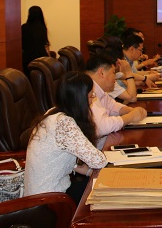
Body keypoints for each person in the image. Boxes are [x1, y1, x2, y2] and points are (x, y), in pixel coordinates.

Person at [24, 72, 108, 204]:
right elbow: (99, 161)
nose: (93, 98)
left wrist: (89, 172)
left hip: (45, 194)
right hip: (49, 201)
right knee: (106, 193)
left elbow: (61, 159)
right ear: (79, 99)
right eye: (90, 94)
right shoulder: (63, 123)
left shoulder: (53, 113)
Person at [85, 53, 147, 147]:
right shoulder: (87, 91)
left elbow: (112, 105)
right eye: (113, 72)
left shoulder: (98, 88)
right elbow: (102, 127)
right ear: (101, 73)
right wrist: (130, 117)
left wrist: (131, 110)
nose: (115, 78)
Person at [21, 5, 50, 72]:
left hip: (28, 58)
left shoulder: (24, 27)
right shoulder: (43, 27)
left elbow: (21, 45)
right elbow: (46, 45)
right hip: (42, 58)